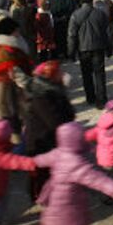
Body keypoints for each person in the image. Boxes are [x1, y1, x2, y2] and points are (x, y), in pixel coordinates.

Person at [32, 121, 113, 225]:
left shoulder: (57, 153)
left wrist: (22, 162)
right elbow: (101, 181)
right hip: (70, 213)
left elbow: (37, 161)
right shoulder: (77, 165)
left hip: (52, 207)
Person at [24, 60, 76, 201]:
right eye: (59, 72)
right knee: (40, 173)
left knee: (47, 172)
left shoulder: (53, 90)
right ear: (51, 76)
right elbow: (56, 121)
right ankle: (38, 196)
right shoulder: (40, 97)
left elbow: (69, 115)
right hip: (39, 142)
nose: (63, 74)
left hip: (49, 140)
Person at [68, 0, 112, 108]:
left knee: (86, 74)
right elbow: (107, 33)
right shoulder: (100, 14)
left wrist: (71, 52)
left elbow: (71, 35)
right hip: (98, 47)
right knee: (99, 74)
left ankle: (90, 97)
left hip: (83, 49)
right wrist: (109, 48)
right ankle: (101, 99)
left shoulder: (75, 15)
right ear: (92, 0)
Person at [84, 99, 113, 204]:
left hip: (102, 158)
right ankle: (109, 198)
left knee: (106, 177)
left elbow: (89, 135)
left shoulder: (101, 124)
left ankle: (106, 192)